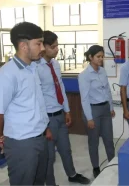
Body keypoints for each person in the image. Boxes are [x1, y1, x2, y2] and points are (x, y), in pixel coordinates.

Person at [0, 22, 51, 186]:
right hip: (21, 144)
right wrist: (1, 138)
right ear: (23, 46)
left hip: (40, 138)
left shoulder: (32, 68)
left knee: (38, 181)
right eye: (38, 43)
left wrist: (45, 128)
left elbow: (36, 104)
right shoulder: (6, 75)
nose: (42, 47)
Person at [37, 31, 90, 186]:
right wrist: (43, 123)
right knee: (49, 156)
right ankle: (51, 183)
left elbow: (60, 87)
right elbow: (37, 97)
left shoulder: (55, 64)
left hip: (59, 114)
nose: (57, 49)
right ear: (44, 47)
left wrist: (67, 110)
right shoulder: (36, 68)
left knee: (66, 149)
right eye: (53, 46)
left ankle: (72, 175)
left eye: (57, 45)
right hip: (47, 118)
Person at [78, 45, 116, 178]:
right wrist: (89, 118)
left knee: (109, 139)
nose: (101, 59)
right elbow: (84, 99)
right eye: (98, 57)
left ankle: (112, 163)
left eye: (102, 56)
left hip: (105, 109)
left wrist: (111, 107)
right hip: (93, 111)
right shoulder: (84, 75)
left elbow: (107, 91)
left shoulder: (102, 71)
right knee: (94, 141)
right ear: (90, 57)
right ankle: (95, 167)